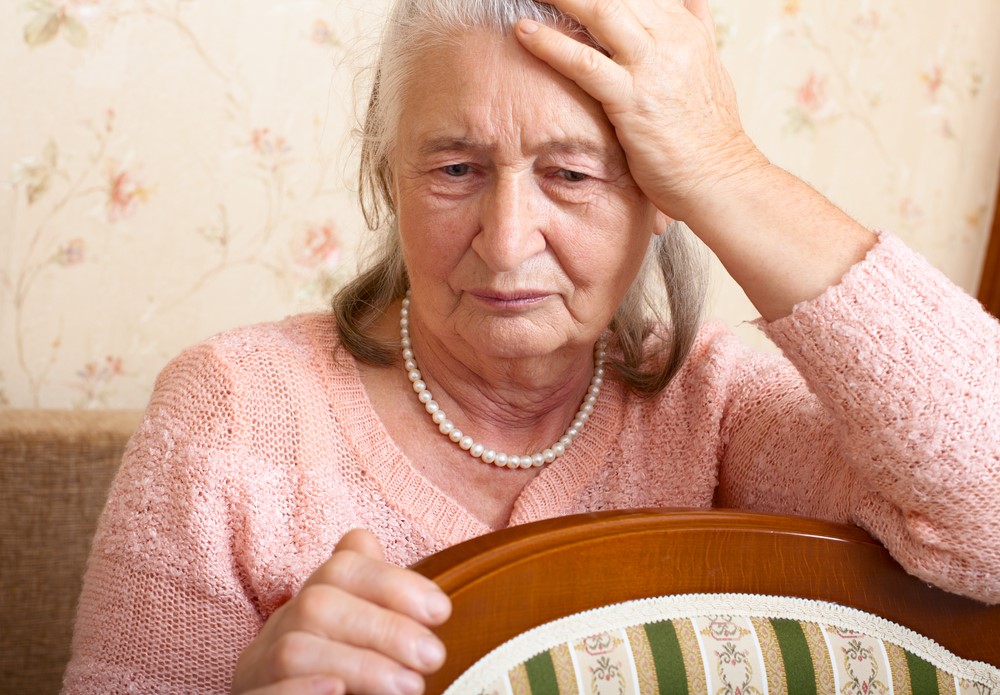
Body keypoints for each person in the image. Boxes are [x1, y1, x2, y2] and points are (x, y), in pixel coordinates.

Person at [64, 0, 1000, 693]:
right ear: (387, 177)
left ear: (661, 202)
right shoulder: (232, 405)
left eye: (573, 172)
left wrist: (726, 168)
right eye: (456, 168)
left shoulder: (718, 405)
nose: (507, 240)